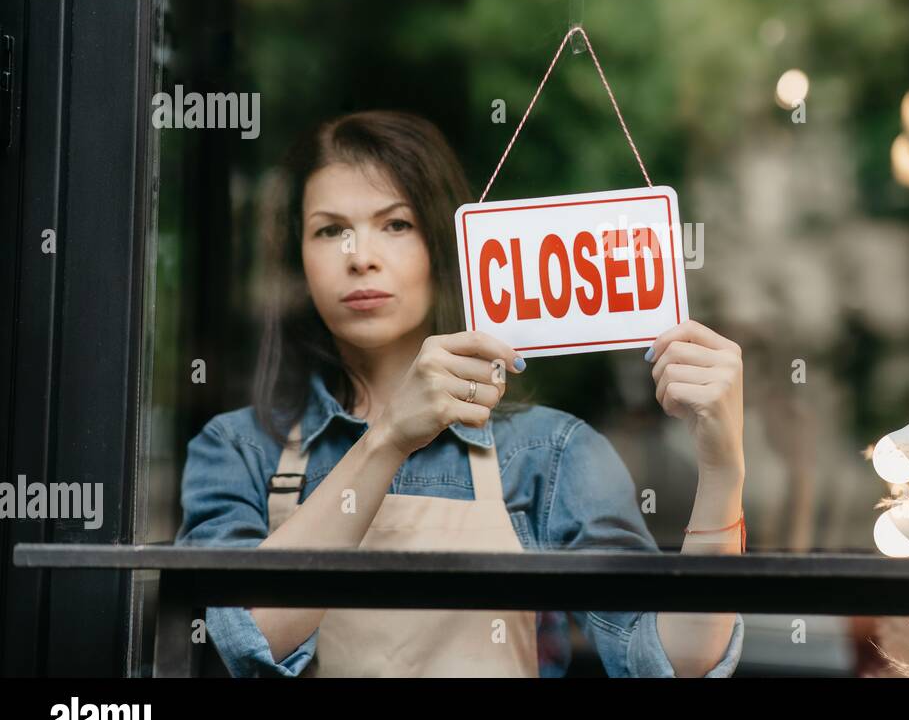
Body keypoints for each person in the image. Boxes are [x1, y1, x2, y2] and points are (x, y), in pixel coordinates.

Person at [175, 109, 746, 677]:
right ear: (298, 257)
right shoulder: (237, 448)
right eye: (330, 230)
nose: (360, 256)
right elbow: (243, 636)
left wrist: (723, 470)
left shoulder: (549, 451)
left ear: (444, 247)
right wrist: (390, 437)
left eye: (396, 224)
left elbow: (670, 660)